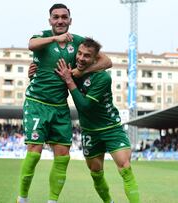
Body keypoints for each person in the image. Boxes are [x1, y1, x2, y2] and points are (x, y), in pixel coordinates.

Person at [17, 3, 112, 203]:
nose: (60, 20)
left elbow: (106, 62)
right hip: (37, 103)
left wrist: (77, 73)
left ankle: (52, 201)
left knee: (63, 156)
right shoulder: (41, 36)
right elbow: (31, 45)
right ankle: (22, 198)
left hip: (60, 107)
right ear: (50, 20)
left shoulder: (78, 42)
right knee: (34, 153)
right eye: (56, 17)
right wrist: (55, 38)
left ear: (70, 20)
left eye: (64, 17)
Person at [55, 38, 140, 203]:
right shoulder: (72, 68)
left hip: (111, 128)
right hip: (89, 131)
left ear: (95, 59)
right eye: (79, 53)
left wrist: (70, 81)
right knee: (96, 173)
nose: (80, 58)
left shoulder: (102, 78)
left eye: (87, 56)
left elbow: (85, 107)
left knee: (125, 168)